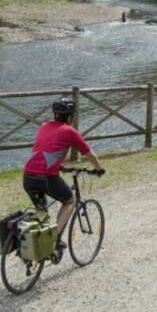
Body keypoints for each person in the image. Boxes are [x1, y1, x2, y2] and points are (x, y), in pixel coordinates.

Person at [22, 97, 104, 251]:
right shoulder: (69, 131)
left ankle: (36, 247)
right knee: (69, 201)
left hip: (28, 176)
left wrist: (59, 166)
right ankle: (53, 240)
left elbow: (46, 150)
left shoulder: (44, 126)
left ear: (55, 114)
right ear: (70, 116)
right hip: (45, 178)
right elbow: (89, 154)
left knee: (41, 213)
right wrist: (99, 168)